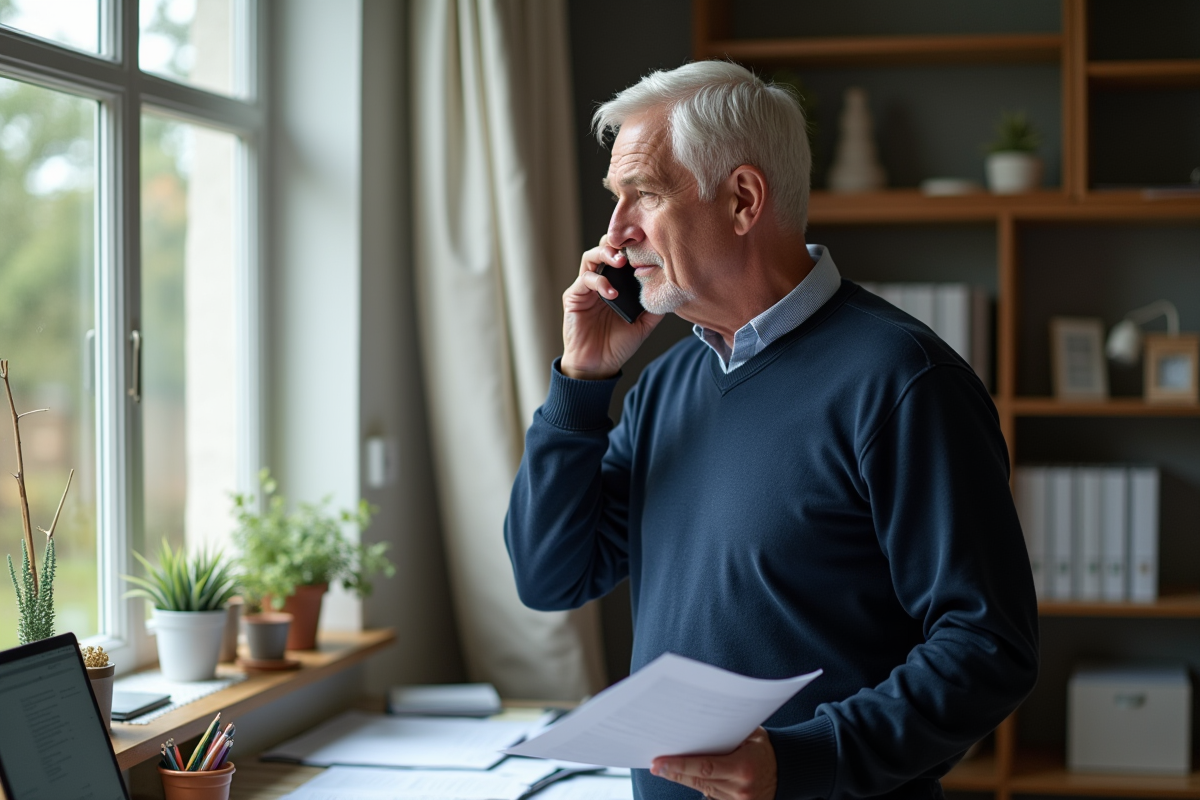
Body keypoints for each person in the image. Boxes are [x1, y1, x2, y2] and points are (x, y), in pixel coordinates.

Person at [505, 61, 1038, 800]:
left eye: (645, 195)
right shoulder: (666, 387)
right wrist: (580, 382)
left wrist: (802, 759)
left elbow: (987, 648)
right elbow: (550, 575)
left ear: (743, 200)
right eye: (615, 201)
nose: (615, 235)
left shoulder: (903, 381)